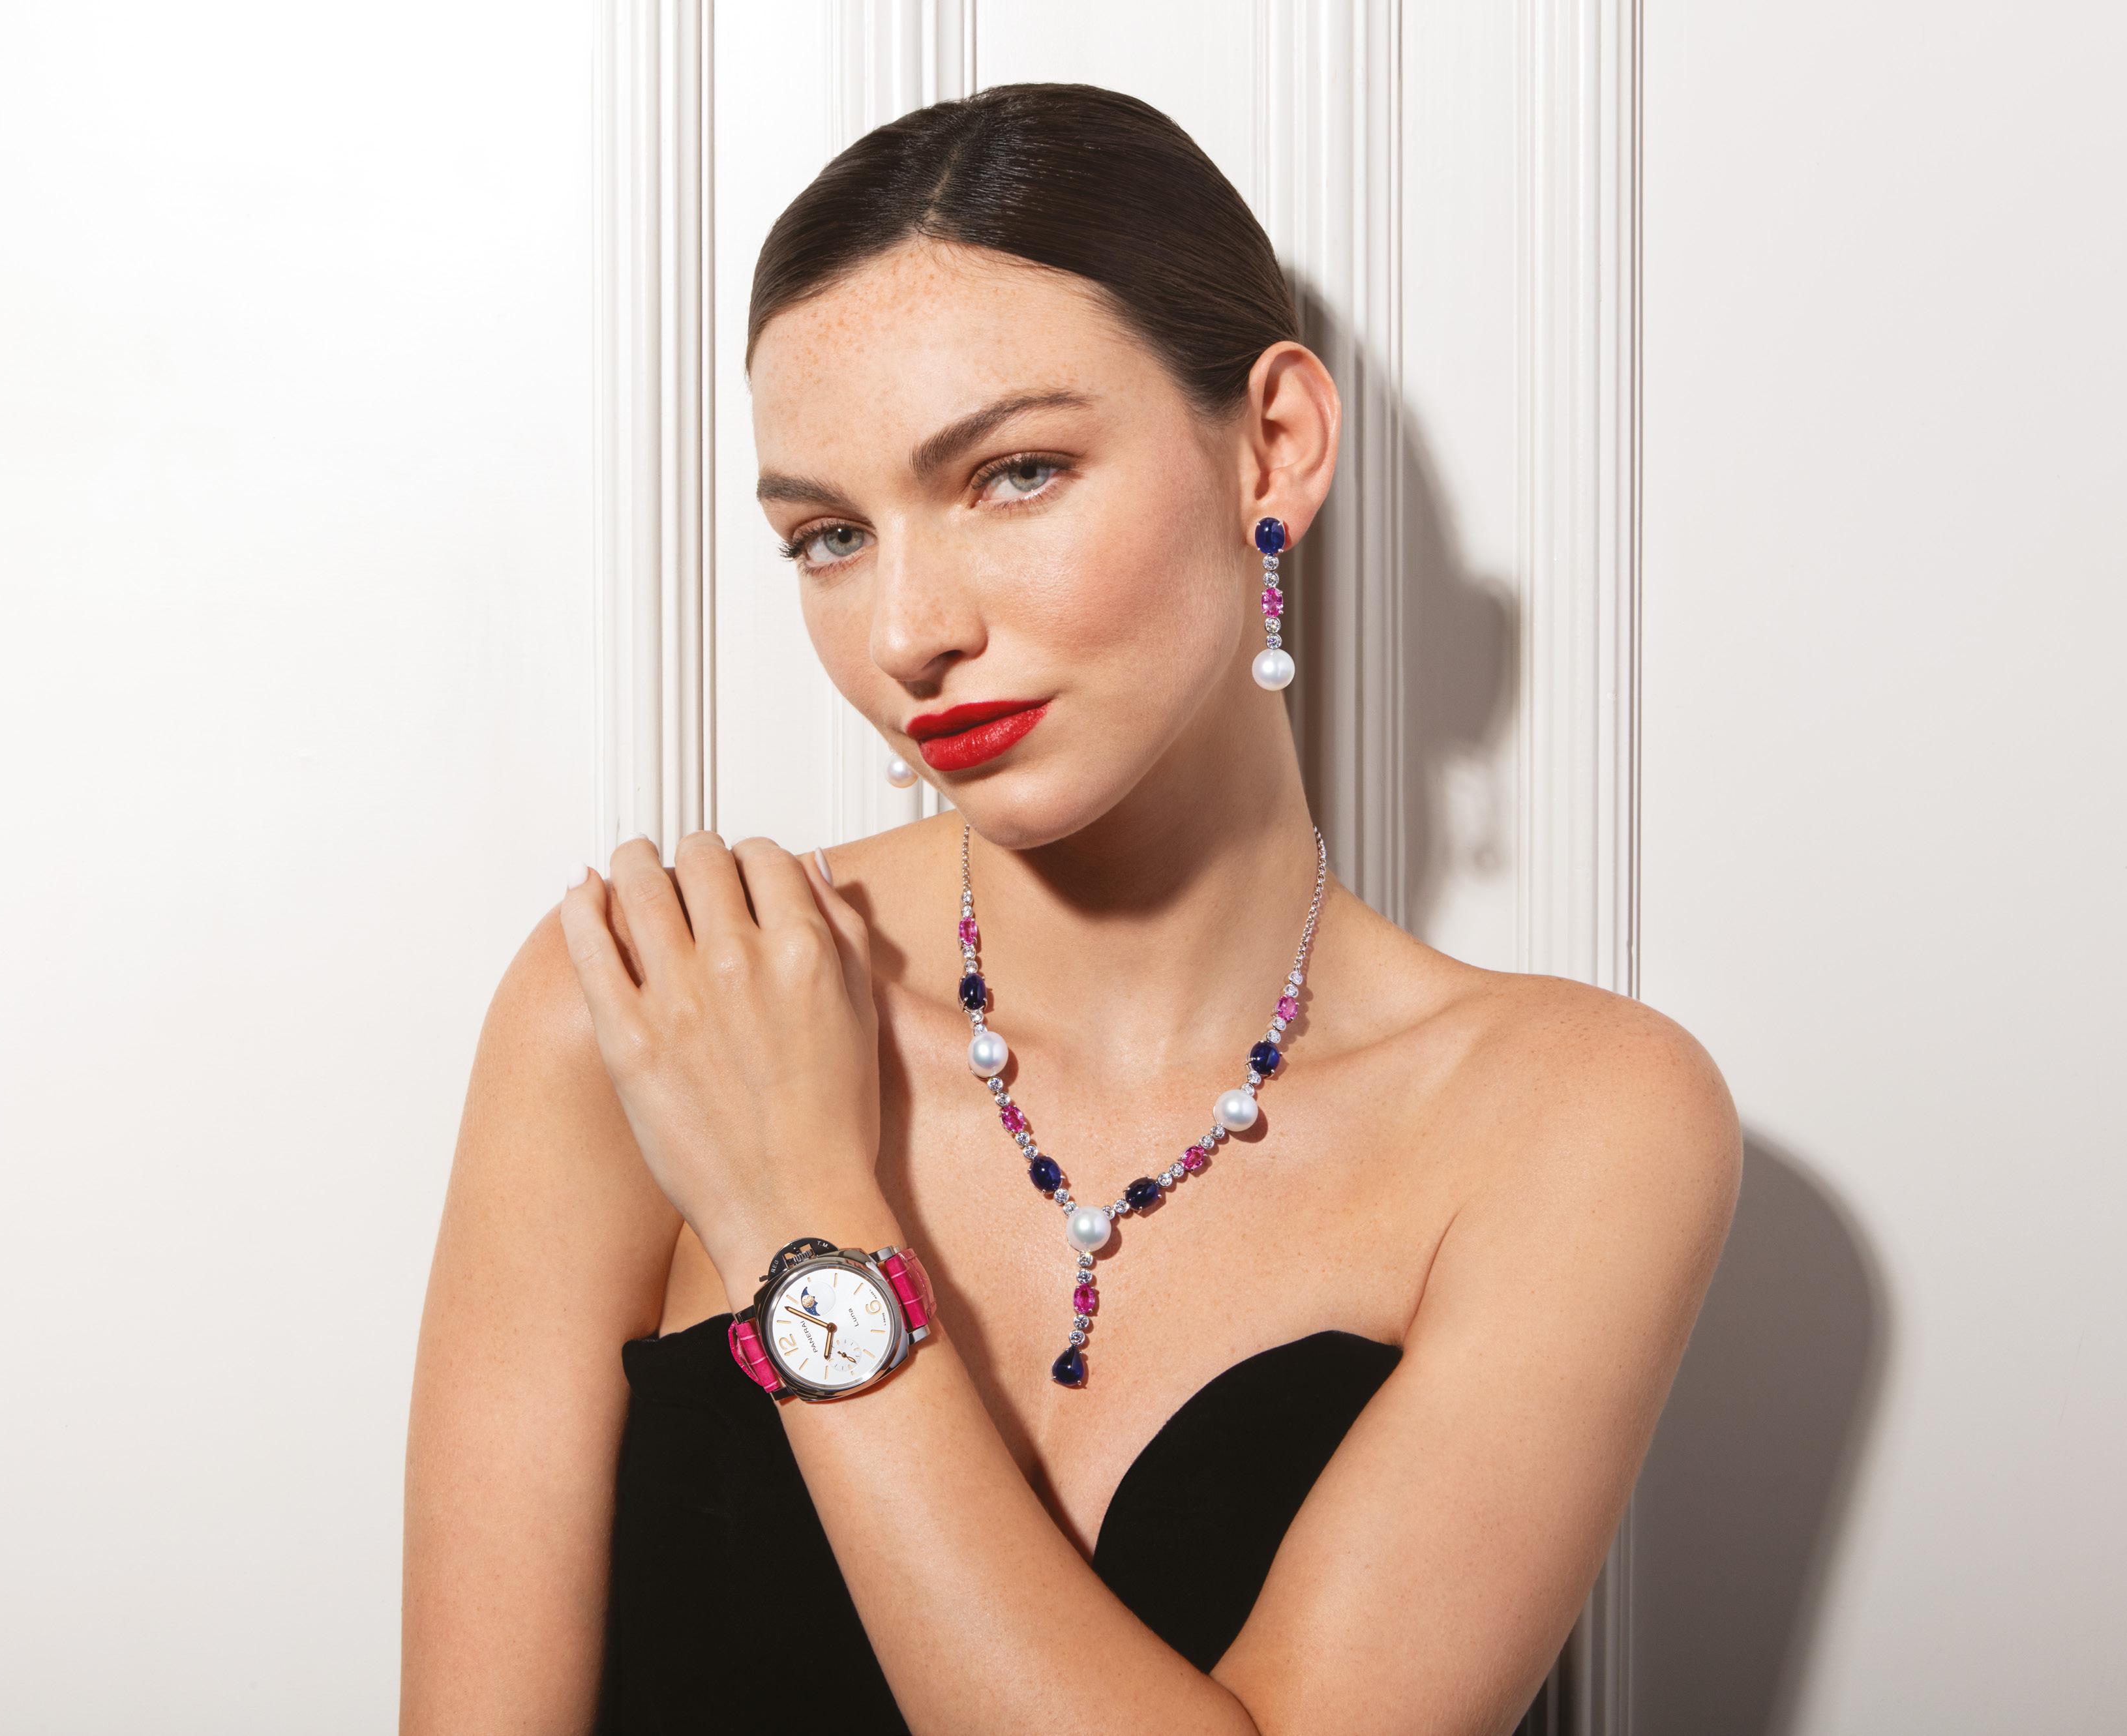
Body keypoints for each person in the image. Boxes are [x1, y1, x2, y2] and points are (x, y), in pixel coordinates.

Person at [400, 83, 1738, 1736]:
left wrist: (800, 1215)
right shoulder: (653, 1001)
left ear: (1273, 445)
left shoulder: (1572, 1118)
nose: (908, 629)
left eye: (1015, 472)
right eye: (830, 535)